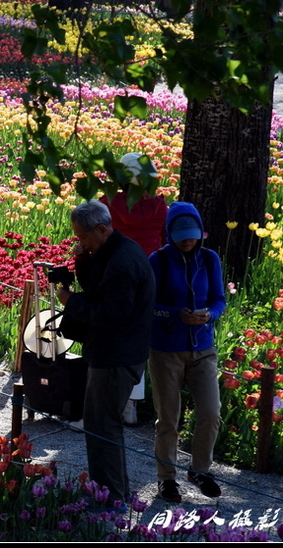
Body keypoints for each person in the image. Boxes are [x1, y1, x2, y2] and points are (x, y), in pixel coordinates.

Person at [56, 199, 155, 509]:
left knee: (103, 424)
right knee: (99, 421)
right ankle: (109, 490)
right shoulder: (115, 249)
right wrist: (83, 259)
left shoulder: (124, 261)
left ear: (101, 229)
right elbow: (99, 286)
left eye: (83, 237)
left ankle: (111, 495)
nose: (79, 242)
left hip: (117, 353)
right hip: (115, 350)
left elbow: (111, 313)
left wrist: (70, 301)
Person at [148, 202, 226, 503]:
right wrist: (174, 314)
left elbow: (219, 299)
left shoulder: (210, 259)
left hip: (203, 348)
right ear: (169, 232)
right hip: (166, 350)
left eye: (192, 234)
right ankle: (166, 479)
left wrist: (210, 315)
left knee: (211, 412)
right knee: (169, 418)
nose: (188, 240)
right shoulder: (158, 260)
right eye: (181, 234)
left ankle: (200, 470)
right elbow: (149, 306)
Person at [100, 151, 168, 425]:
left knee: (108, 336)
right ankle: (131, 405)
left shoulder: (106, 205)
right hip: (150, 276)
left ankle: (104, 399)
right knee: (139, 340)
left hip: (116, 275)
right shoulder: (160, 207)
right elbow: (164, 243)